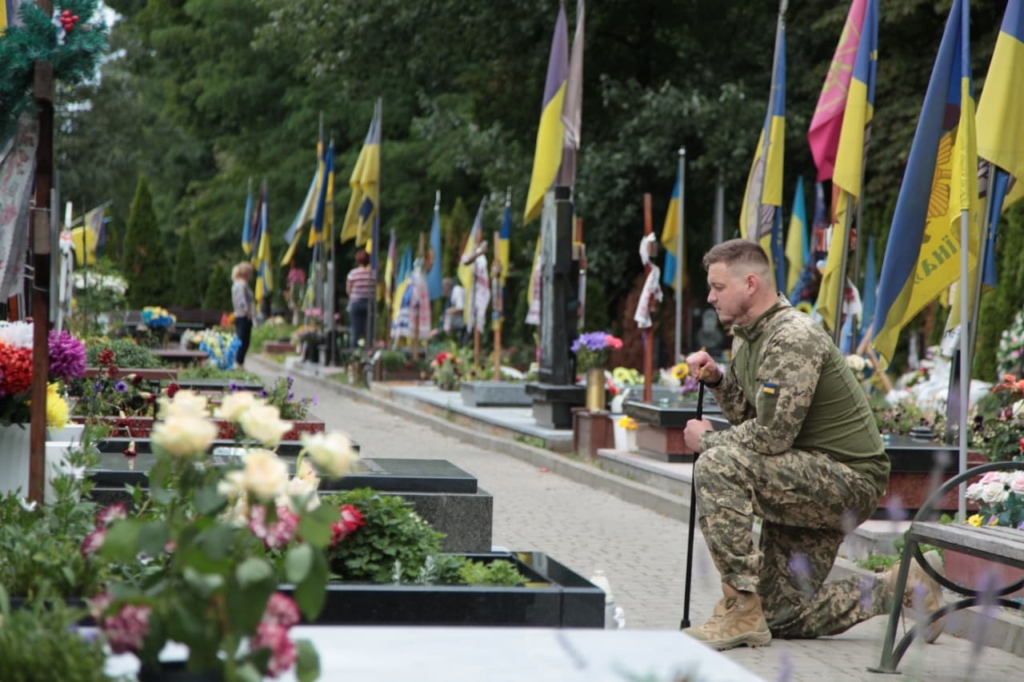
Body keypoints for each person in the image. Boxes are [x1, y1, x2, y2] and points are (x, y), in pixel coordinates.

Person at [681, 239, 943, 651]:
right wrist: (718, 381)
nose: (711, 297)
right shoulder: (747, 338)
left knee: (716, 465)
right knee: (779, 616)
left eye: (718, 287)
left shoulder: (792, 337)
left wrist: (708, 441)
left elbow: (772, 436)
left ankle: (740, 608)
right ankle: (897, 586)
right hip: (803, 473)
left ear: (750, 284)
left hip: (846, 480)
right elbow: (753, 420)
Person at [346, 250, 374, 347]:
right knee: (369, 331)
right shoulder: (372, 274)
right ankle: (369, 350)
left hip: (356, 303)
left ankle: (354, 352)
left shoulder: (353, 274)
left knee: (355, 331)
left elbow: (348, 290)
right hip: (369, 303)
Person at [230, 262, 255, 369]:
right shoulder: (241, 285)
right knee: (243, 339)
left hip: (240, 315)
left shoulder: (238, 284)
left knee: (243, 339)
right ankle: (238, 362)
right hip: (243, 315)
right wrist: (247, 312)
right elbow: (241, 301)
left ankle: (240, 362)